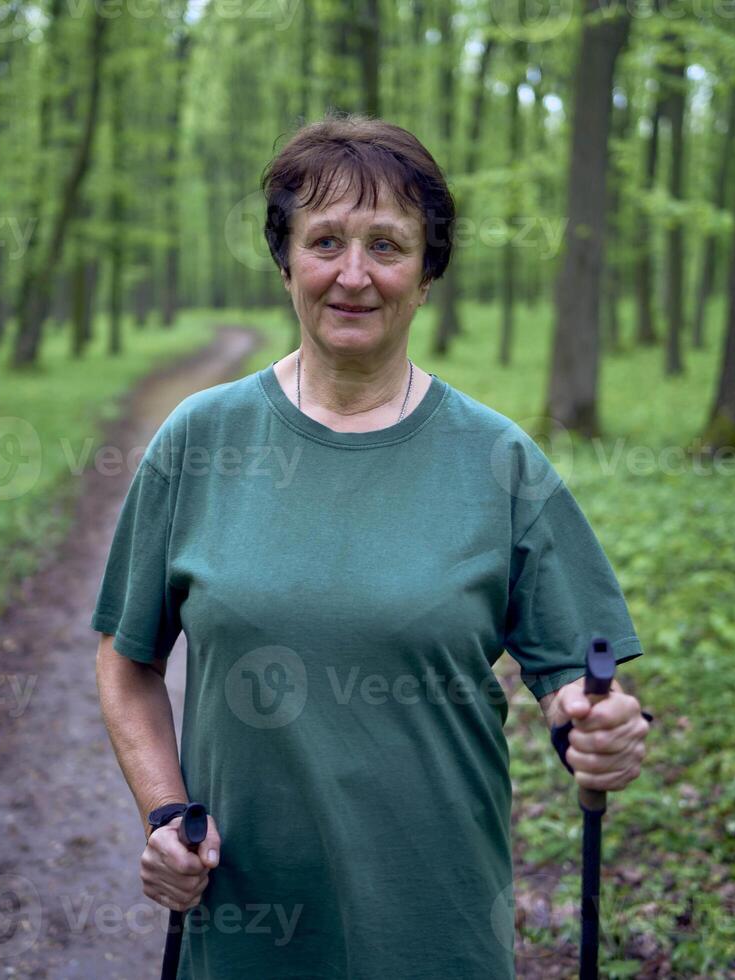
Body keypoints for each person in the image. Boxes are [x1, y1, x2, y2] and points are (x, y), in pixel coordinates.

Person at [93, 115, 650, 979]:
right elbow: (126, 662)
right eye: (324, 241)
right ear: (285, 261)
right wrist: (166, 814)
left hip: (437, 928)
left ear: (427, 273)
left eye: (387, 245)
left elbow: (580, 682)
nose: (353, 275)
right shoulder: (200, 441)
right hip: (245, 925)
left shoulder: (498, 462)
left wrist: (603, 728)